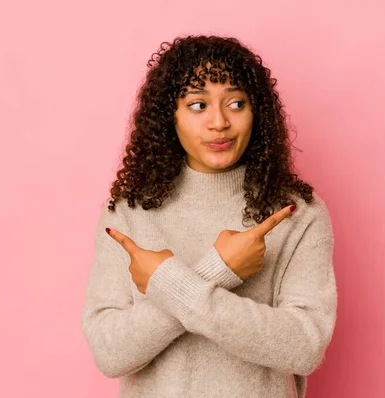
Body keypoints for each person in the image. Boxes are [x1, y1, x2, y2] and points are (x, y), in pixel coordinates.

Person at [81, 35, 337, 397]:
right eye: (198, 105)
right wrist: (218, 270)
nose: (219, 122)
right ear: (169, 115)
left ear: (256, 112)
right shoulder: (128, 212)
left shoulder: (295, 214)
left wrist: (170, 283)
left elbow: (305, 347)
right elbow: (110, 353)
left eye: (235, 103)